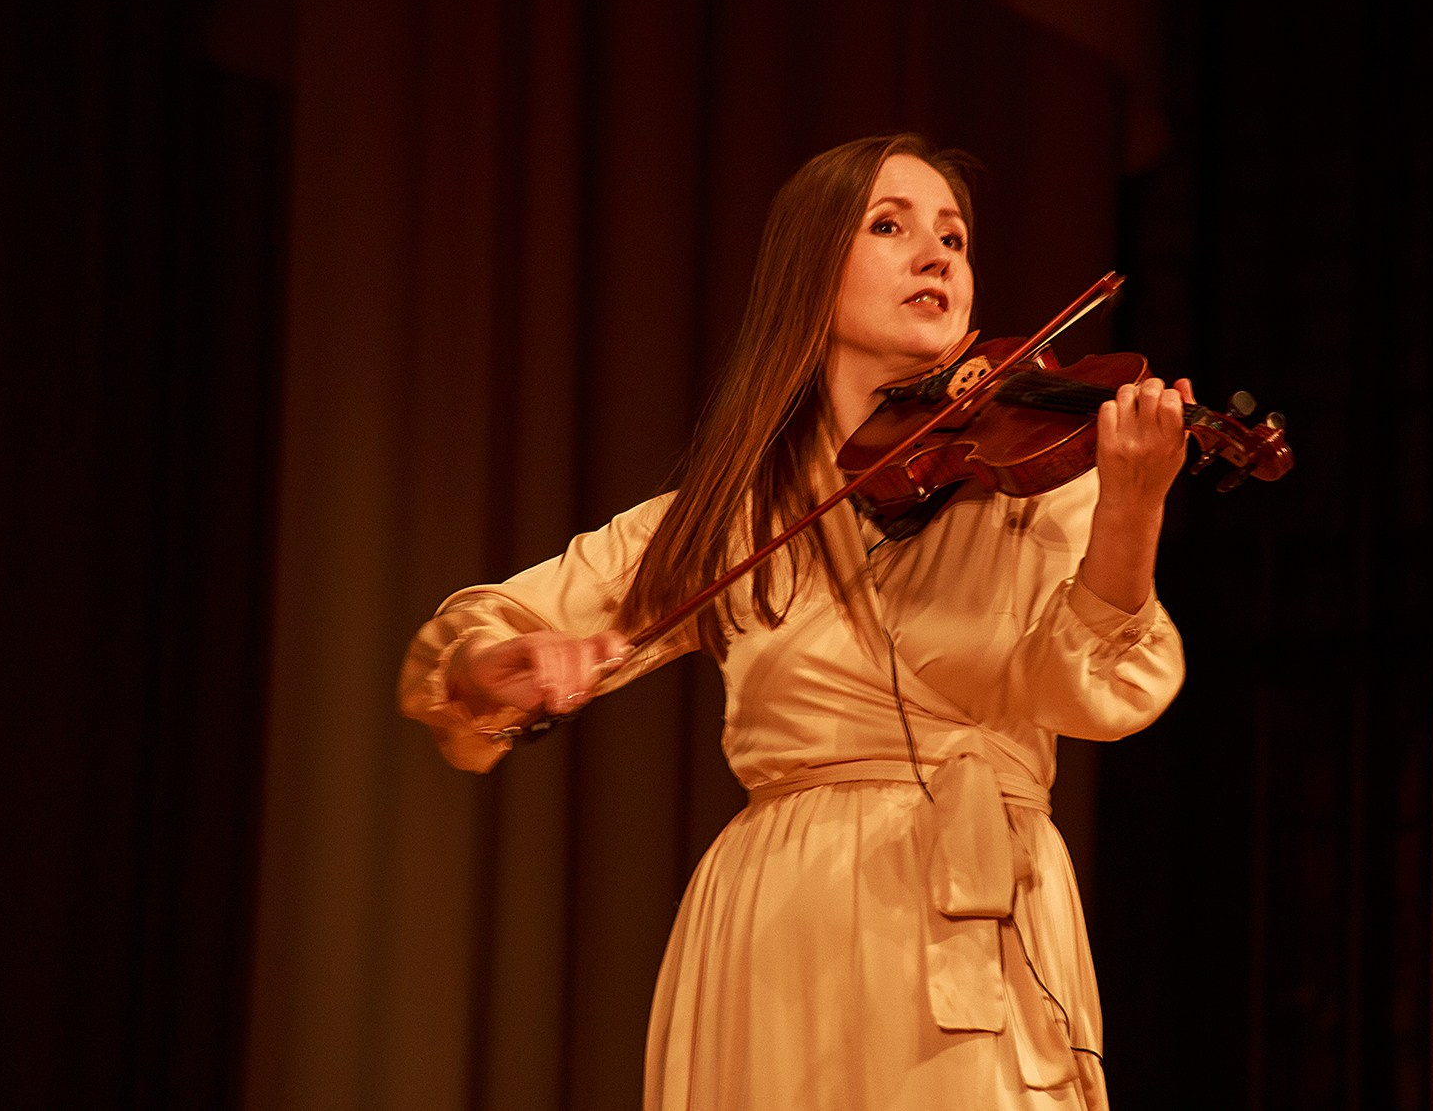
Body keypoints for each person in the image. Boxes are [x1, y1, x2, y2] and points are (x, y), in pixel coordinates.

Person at [398, 132, 1188, 1110]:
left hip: (977, 911)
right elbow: (474, 638)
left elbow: (1095, 691)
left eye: (953, 237)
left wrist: (1132, 508)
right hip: (781, 916)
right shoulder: (730, 516)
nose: (936, 255)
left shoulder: (1035, 477)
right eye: (890, 227)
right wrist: (499, 663)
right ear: (810, 271)